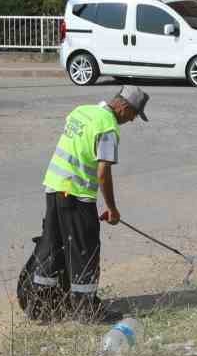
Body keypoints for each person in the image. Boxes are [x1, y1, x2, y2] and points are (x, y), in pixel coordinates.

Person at [32, 86, 148, 319]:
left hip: (54, 186)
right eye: (134, 114)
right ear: (123, 107)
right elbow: (103, 173)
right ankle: (86, 310)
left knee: (53, 245)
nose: (133, 120)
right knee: (85, 249)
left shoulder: (81, 111)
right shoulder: (108, 127)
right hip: (76, 194)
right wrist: (112, 209)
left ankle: (41, 307)